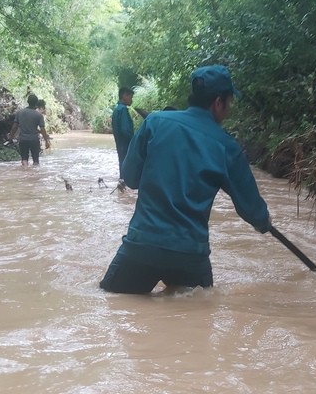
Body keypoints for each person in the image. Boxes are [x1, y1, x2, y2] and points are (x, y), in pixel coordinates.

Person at [100, 65, 272, 294]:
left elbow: (130, 178)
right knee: (199, 311)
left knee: (112, 302)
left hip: (142, 246)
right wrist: (264, 221)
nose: (228, 109)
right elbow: (252, 210)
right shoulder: (226, 147)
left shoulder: (155, 123)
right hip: (189, 254)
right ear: (218, 102)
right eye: (229, 103)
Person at [8, 93, 51, 166]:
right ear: (36, 103)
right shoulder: (38, 115)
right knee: (36, 161)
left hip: (23, 140)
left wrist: (10, 137)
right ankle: (34, 175)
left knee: (24, 160)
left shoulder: (20, 113)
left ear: (28, 102)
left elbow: (14, 127)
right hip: (34, 140)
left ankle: (25, 172)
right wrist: (46, 140)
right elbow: (42, 129)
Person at [111, 87, 134, 179]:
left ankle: (122, 186)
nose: (131, 100)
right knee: (127, 166)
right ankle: (126, 186)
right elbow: (125, 130)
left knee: (122, 163)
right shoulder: (123, 110)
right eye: (131, 97)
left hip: (119, 143)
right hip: (126, 144)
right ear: (125, 96)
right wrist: (133, 140)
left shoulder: (116, 109)